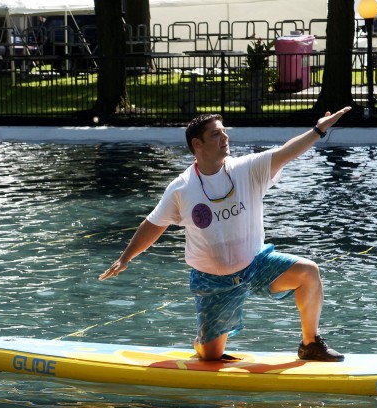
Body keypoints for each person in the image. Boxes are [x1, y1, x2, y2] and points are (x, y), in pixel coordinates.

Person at [99, 109, 352, 362]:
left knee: (308, 272)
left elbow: (287, 152)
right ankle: (202, 341)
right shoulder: (181, 188)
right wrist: (126, 257)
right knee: (211, 356)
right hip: (213, 281)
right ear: (197, 144)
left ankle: (310, 344)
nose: (225, 138)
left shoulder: (247, 169)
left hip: (256, 266)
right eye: (216, 134)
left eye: (224, 132)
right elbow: (154, 224)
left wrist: (318, 130)